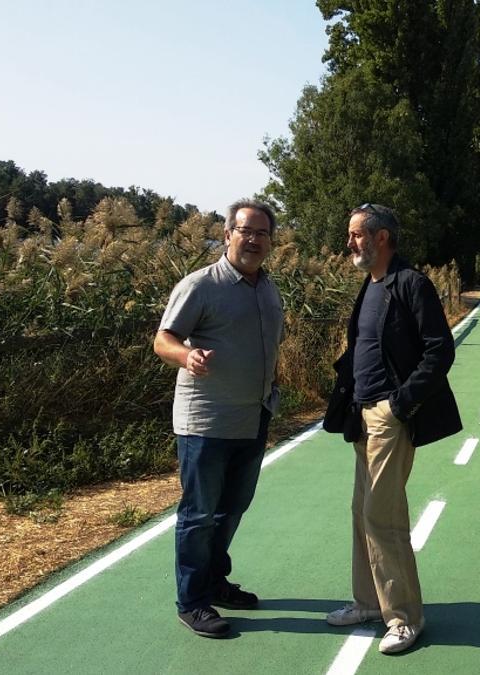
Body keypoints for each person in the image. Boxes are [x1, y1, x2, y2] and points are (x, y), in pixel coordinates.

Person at [322, 203, 462, 654]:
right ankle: (367, 603)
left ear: (381, 237)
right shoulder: (372, 284)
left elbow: (440, 351)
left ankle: (403, 617)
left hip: (388, 417)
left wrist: (399, 405)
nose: (350, 243)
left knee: (383, 516)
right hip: (362, 416)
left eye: (357, 235)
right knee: (360, 511)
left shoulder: (410, 284)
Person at [153, 199, 283, 638]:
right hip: (205, 421)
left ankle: (214, 581)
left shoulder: (267, 287)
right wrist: (188, 355)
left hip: (254, 416)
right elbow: (162, 340)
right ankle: (192, 601)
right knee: (199, 512)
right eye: (245, 230)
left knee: (232, 508)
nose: (253, 240)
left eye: (262, 233)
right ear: (227, 234)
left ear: (270, 242)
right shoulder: (200, 285)